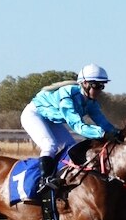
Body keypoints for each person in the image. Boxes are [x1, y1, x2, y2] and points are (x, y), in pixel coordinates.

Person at [20, 64, 118, 192]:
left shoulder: (91, 102)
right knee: (49, 145)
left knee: (70, 147)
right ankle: (45, 181)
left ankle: (61, 177)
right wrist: (103, 134)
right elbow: (78, 126)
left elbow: (103, 123)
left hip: (51, 119)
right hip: (33, 114)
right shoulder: (67, 96)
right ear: (84, 83)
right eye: (97, 85)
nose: (100, 90)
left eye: (102, 86)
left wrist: (118, 133)